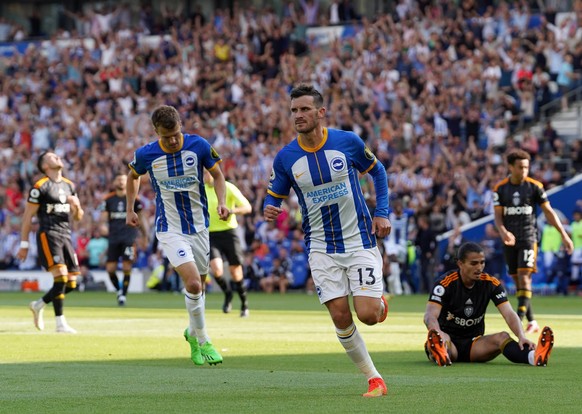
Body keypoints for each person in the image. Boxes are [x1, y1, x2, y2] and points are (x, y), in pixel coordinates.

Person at [263, 84, 391, 398]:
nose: (298, 116)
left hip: (359, 239)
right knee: (339, 315)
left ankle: (379, 304)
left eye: (305, 109)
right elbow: (275, 193)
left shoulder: (347, 142)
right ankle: (374, 379)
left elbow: (379, 172)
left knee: (368, 315)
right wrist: (272, 206)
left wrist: (383, 212)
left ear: (321, 112)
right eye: (294, 110)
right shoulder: (286, 158)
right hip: (321, 247)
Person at [126, 105, 228, 366]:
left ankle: (191, 334)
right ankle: (204, 340)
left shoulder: (199, 146)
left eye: (175, 134)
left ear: (181, 126)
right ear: (155, 132)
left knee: (200, 288)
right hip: (169, 228)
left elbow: (217, 174)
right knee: (193, 284)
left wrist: (221, 202)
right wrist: (130, 207)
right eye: (165, 136)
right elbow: (133, 176)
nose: (172, 140)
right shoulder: (146, 154)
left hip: (199, 226)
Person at [423, 242, 554, 367]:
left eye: (482, 263)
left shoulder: (491, 283)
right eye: (473, 263)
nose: (479, 268)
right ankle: (440, 351)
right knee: (442, 338)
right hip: (449, 340)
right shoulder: (445, 283)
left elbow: (508, 313)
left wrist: (521, 336)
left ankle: (534, 357)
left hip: (475, 344)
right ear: (460, 264)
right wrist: (436, 332)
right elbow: (430, 315)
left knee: (502, 337)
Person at [493, 149, 573, 333]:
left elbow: (548, 212)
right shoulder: (500, 188)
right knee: (517, 281)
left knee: (524, 276)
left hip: (528, 237)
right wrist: (503, 231)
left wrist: (564, 234)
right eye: (520, 167)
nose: (524, 171)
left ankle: (518, 319)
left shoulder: (534, 186)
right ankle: (532, 321)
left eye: (526, 167)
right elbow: (498, 216)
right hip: (509, 240)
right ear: (511, 167)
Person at [16, 151, 84, 333]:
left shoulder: (70, 186)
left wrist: (76, 206)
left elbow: (78, 218)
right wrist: (24, 245)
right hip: (48, 234)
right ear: (45, 166)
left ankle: (38, 304)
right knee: (60, 277)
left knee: (71, 284)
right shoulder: (40, 186)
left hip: (66, 235)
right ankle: (60, 324)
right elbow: (27, 217)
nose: (58, 157)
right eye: (52, 157)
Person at [203, 168, 252, 317]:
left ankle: (244, 303)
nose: (204, 176)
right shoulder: (201, 189)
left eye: (205, 173)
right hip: (211, 234)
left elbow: (247, 207)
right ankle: (228, 293)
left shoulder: (228, 187)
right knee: (216, 269)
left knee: (235, 271)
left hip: (229, 232)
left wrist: (231, 211)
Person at [99, 172, 149, 306]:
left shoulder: (134, 199)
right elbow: (103, 218)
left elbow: (141, 219)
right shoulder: (108, 199)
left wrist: (145, 236)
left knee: (127, 267)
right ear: (114, 183)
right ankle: (119, 290)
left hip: (129, 237)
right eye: (118, 179)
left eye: (123, 180)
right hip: (113, 237)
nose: (121, 182)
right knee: (110, 269)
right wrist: (102, 226)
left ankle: (123, 296)